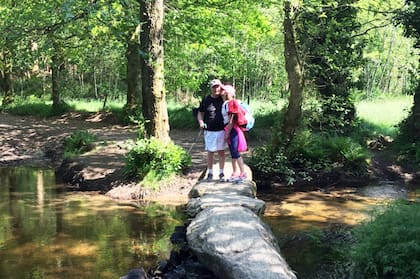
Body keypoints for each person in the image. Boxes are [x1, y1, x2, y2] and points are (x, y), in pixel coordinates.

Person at [197, 79, 226, 181]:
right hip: (209, 130)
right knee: (210, 151)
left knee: (221, 151)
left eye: (218, 87)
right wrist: (201, 122)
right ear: (211, 89)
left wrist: (223, 95)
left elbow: (229, 107)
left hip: (221, 129)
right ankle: (210, 172)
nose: (216, 89)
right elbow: (200, 112)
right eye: (214, 87)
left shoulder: (223, 99)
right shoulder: (206, 99)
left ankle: (221, 173)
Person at [221, 84, 248, 182]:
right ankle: (235, 172)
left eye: (224, 90)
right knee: (232, 152)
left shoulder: (230, 103)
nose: (221, 91)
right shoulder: (226, 103)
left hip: (233, 129)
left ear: (228, 93)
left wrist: (227, 132)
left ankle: (242, 173)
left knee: (235, 151)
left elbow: (231, 119)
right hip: (229, 129)